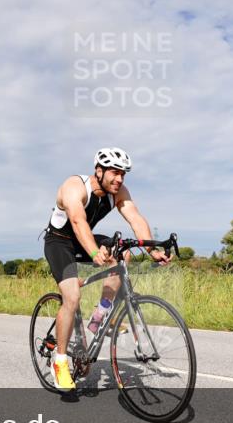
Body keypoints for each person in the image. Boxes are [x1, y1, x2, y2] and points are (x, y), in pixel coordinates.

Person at [43, 147, 169, 391]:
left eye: (123, 174)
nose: (119, 179)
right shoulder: (74, 186)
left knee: (123, 253)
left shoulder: (119, 192)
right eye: (114, 172)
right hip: (60, 241)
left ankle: (101, 314)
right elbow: (78, 221)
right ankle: (59, 362)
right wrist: (93, 252)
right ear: (98, 171)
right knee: (72, 297)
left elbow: (135, 219)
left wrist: (152, 250)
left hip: (84, 237)